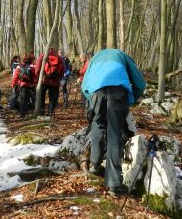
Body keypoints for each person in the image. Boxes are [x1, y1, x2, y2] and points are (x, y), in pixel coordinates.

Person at [81, 48, 146, 196]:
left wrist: (91, 99)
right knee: (114, 133)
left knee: (97, 125)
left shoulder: (95, 58)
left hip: (96, 93)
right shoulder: (122, 56)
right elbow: (140, 84)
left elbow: (84, 86)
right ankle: (114, 184)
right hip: (118, 93)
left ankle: (94, 165)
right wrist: (131, 99)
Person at [34, 48, 65, 116]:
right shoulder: (59, 57)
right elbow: (62, 69)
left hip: (43, 80)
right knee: (53, 98)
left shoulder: (42, 56)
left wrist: (39, 77)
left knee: (42, 97)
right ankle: (51, 113)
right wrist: (60, 77)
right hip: (55, 81)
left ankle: (42, 112)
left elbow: (37, 69)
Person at [11, 53, 36, 118]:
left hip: (23, 85)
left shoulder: (19, 66)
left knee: (23, 100)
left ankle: (22, 114)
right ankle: (34, 112)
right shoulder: (33, 66)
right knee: (34, 98)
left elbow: (15, 76)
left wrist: (14, 84)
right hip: (31, 85)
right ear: (31, 59)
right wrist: (35, 83)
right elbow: (36, 76)